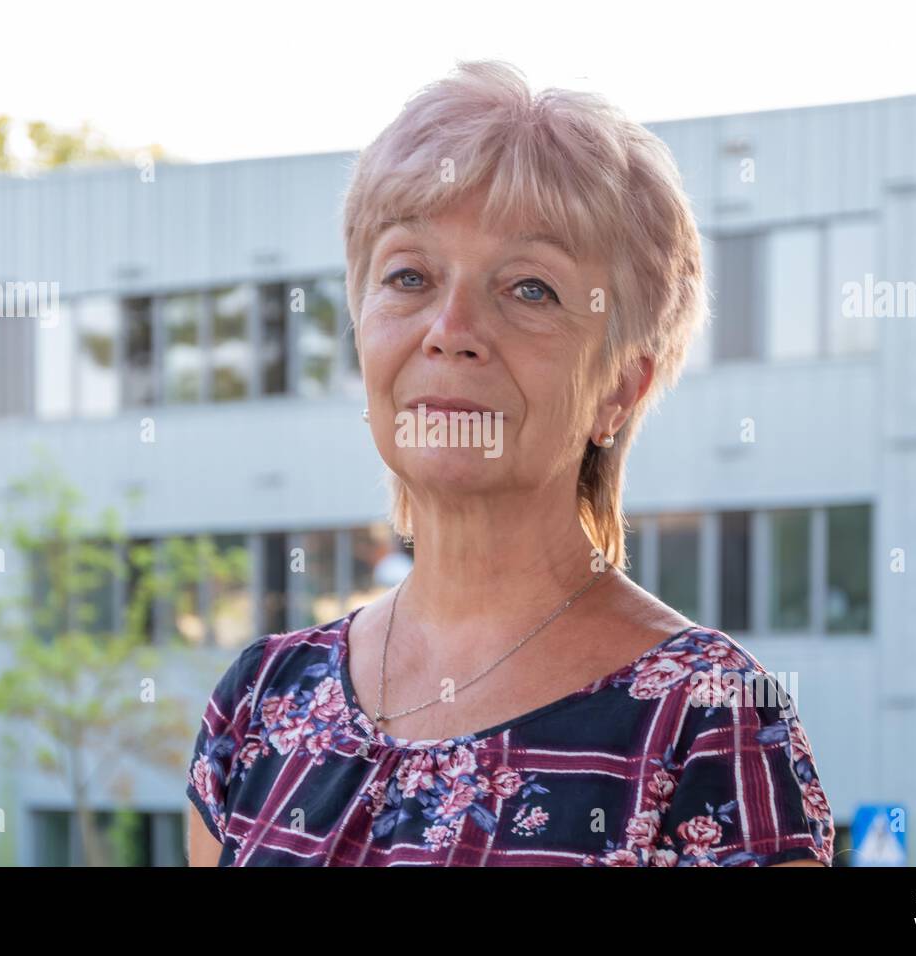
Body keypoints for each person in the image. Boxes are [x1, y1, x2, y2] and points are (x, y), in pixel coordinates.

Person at [187, 59, 834, 867]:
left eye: (530, 289)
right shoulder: (259, 704)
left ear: (619, 390)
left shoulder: (709, 721)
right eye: (409, 275)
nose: (450, 328)